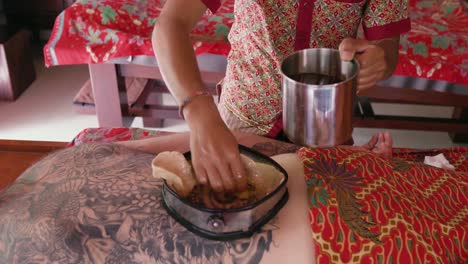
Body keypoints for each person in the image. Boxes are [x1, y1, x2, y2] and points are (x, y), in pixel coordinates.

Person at [0, 131, 393, 263]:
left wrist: (332, 156)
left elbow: (209, 143)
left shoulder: (67, 158)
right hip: (349, 247)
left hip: (333, 177)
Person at [151, 0, 410, 193]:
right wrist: (200, 113)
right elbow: (171, 24)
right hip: (244, 113)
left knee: (317, 222)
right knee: (232, 215)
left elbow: (387, 49)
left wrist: (378, 61)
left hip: (325, 122)